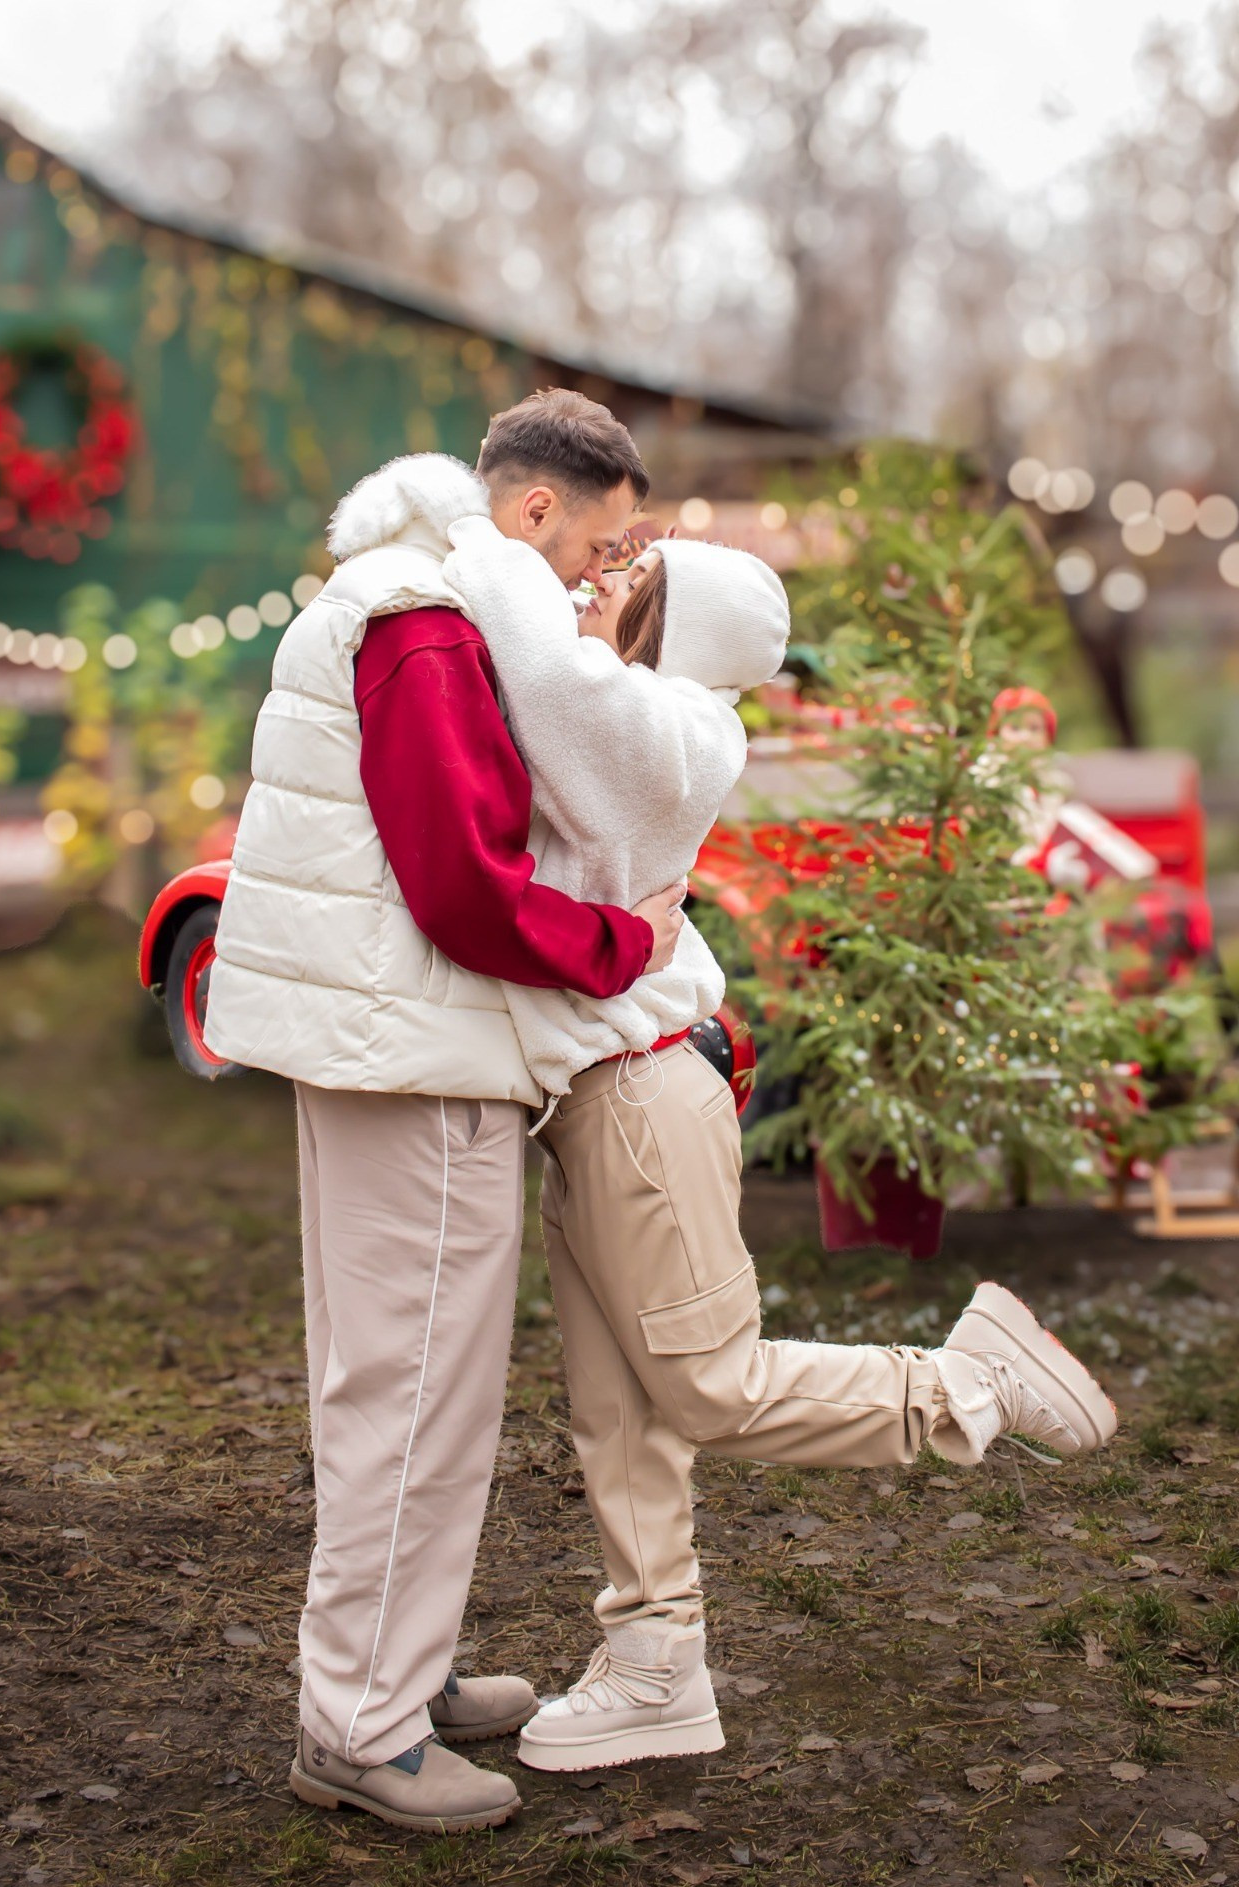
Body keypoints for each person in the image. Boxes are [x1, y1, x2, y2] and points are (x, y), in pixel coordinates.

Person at [441, 529, 1120, 1773]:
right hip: (594, 1100)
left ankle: (966, 1384)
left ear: (675, 634)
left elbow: (542, 681)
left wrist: (474, 534)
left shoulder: (672, 726)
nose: (597, 592)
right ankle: (654, 1663)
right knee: (620, 1412)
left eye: (629, 589)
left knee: (707, 1386)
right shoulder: (640, 714)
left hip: (639, 1093)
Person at [203, 391, 687, 1833]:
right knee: (411, 1392)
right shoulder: (428, 625)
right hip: (410, 1050)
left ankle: (388, 1671)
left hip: (393, 1040)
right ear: (532, 510)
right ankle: (361, 1721)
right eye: (591, 551)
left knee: (400, 1381)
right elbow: (464, 881)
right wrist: (628, 943)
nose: (593, 584)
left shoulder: (411, 598)